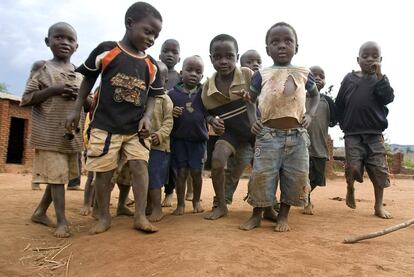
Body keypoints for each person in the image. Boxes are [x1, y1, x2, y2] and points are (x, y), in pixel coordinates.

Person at [65, 1, 163, 234]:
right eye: (148, 31)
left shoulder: (151, 65)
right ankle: (103, 217)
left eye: (156, 36)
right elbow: (88, 78)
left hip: (135, 128)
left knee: (140, 166)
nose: (151, 39)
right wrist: (77, 107)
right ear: (130, 24)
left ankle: (139, 216)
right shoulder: (108, 50)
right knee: (104, 170)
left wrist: (148, 117)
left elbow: (153, 96)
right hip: (105, 125)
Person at [239, 22, 320, 232]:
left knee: (295, 176)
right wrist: (252, 121)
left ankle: (283, 216)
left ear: (296, 47)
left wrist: (310, 114)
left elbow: (315, 95)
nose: (281, 45)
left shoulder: (304, 73)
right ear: (267, 49)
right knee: (262, 176)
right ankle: (256, 215)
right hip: (268, 135)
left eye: (287, 41)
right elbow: (250, 100)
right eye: (275, 42)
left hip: (298, 137)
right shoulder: (261, 74)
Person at [21, 22, 84, 238]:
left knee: (60, 177)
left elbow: (90, 104)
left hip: (71, 137)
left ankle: (40, 212)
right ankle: (62, 221)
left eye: (70, 39)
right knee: (57, 178)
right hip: (49, 134)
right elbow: (27, 99)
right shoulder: (42, 67)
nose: (65, 42)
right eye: (59, 37)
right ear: (48, 41)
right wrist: (54, 90)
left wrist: (81, 97)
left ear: (77, 45)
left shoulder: (80, 74)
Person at [335, 41, 394, 219]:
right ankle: (350, 188)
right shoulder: (349, 79)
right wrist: (338, 121)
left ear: (380, 59)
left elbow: (388, 97)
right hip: (352, 134)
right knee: (352, 167)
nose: (370, 59)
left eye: (374, 56)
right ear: (358, 59)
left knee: (379, 171)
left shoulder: (380, 79)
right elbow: (339, 104)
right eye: (365, 56)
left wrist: (380, 75)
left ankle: (378, 206)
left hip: (375, 134)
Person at [201, 34, 257, 220]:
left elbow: (265, 98)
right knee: (217, 159)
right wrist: (211, 120)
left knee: (265, 168)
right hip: (231, 133)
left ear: (237, 56)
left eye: (229, 56)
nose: (223, 61)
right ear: (211, 58)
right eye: (217, 56)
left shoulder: (248, 75)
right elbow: (202, 111)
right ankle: (221, 206)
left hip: (254, 132)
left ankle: (268, 205)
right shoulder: (207, 88)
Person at [169, 55, 207, 215]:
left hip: (198, 141)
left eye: (198, 71)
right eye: (189, 70)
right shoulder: (171, 94)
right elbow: (164, 114)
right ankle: (180, 204)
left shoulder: (204, 93)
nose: (193, 74)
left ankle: (196, 201)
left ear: (202, 76)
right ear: (180, 72)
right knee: (181, 173)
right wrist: (171, 112)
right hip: (179, 140)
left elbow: (210, 112)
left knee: (197, 173)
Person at [303, 65, 337, 215]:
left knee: (317, 178)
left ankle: (303, 194)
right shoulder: (298, 98)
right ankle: (306, 201)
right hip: (301, 145)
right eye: (313, 75)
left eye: (321, 76)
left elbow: (334, 120)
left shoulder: (328, 101)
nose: (317, 78)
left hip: (320, 146)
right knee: (305, 175)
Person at [146, 61, 173, 222]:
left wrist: (160, 135)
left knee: (155, 177)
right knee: (143, 177)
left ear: (165, 81)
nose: (155, 81)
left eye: (159, 78)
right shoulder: (143, 97)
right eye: (152, 78)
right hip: (142, 146)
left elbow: (169, 121)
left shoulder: (165, 100)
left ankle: (157, 208)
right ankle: (147, 205)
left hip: (160, 147)